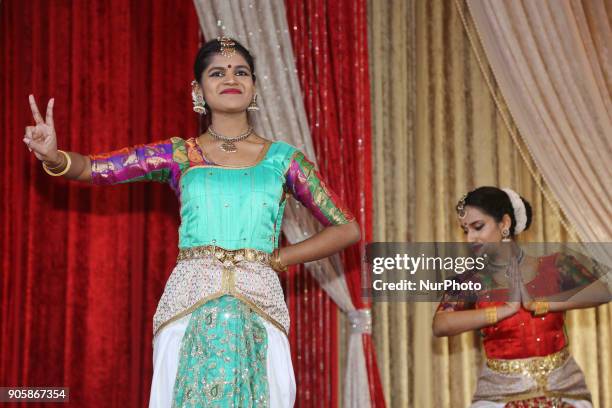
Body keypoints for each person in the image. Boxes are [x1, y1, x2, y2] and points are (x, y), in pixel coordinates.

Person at [23, 37, 361, 408]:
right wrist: (54, 156)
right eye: (218, 72)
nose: (230, 78)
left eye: (241, 71)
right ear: (198, 90)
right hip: (189, 304)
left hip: (259, 304)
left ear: (253, 87)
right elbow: (97, 168)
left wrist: (278, 259)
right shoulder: (180, 155)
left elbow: (346, 228)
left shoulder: (284, 160)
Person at [432, 186, 610, 408]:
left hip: (563, 391)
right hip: (499, 396)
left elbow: (603, 291)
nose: (471, 238)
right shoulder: (470, 280)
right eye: (465, 230)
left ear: (504, 223)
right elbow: (441, 324)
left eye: (478, 227)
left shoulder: (555, 266)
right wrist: (504, 310)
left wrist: (540, 304)